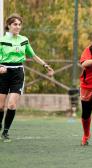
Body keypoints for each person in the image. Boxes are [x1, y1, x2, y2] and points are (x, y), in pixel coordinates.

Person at [0, 13, 54, 142]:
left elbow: (33, 55)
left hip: (18, 73)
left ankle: (5, 132)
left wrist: (45, 65)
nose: (17, 27)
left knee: (12, 105)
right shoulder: (2, 40)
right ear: (8, 25)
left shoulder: (23, 39)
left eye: (19, 24)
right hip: (3, 73)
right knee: (0, 107)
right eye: (15, 24)